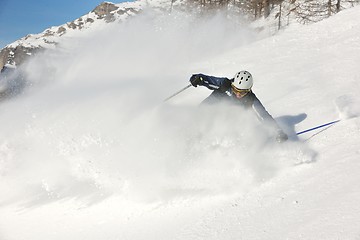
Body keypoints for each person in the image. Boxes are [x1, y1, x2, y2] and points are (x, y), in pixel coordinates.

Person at [189, 70, 288, 143]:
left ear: (249, 90)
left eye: (243, 92)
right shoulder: (225, 84)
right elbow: (207, 79)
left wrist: (278, 131)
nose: (238, 94)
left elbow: (264, 116)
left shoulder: (250, 100)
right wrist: (198, 79)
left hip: (223, 122)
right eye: (236, 90)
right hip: (205, 112)